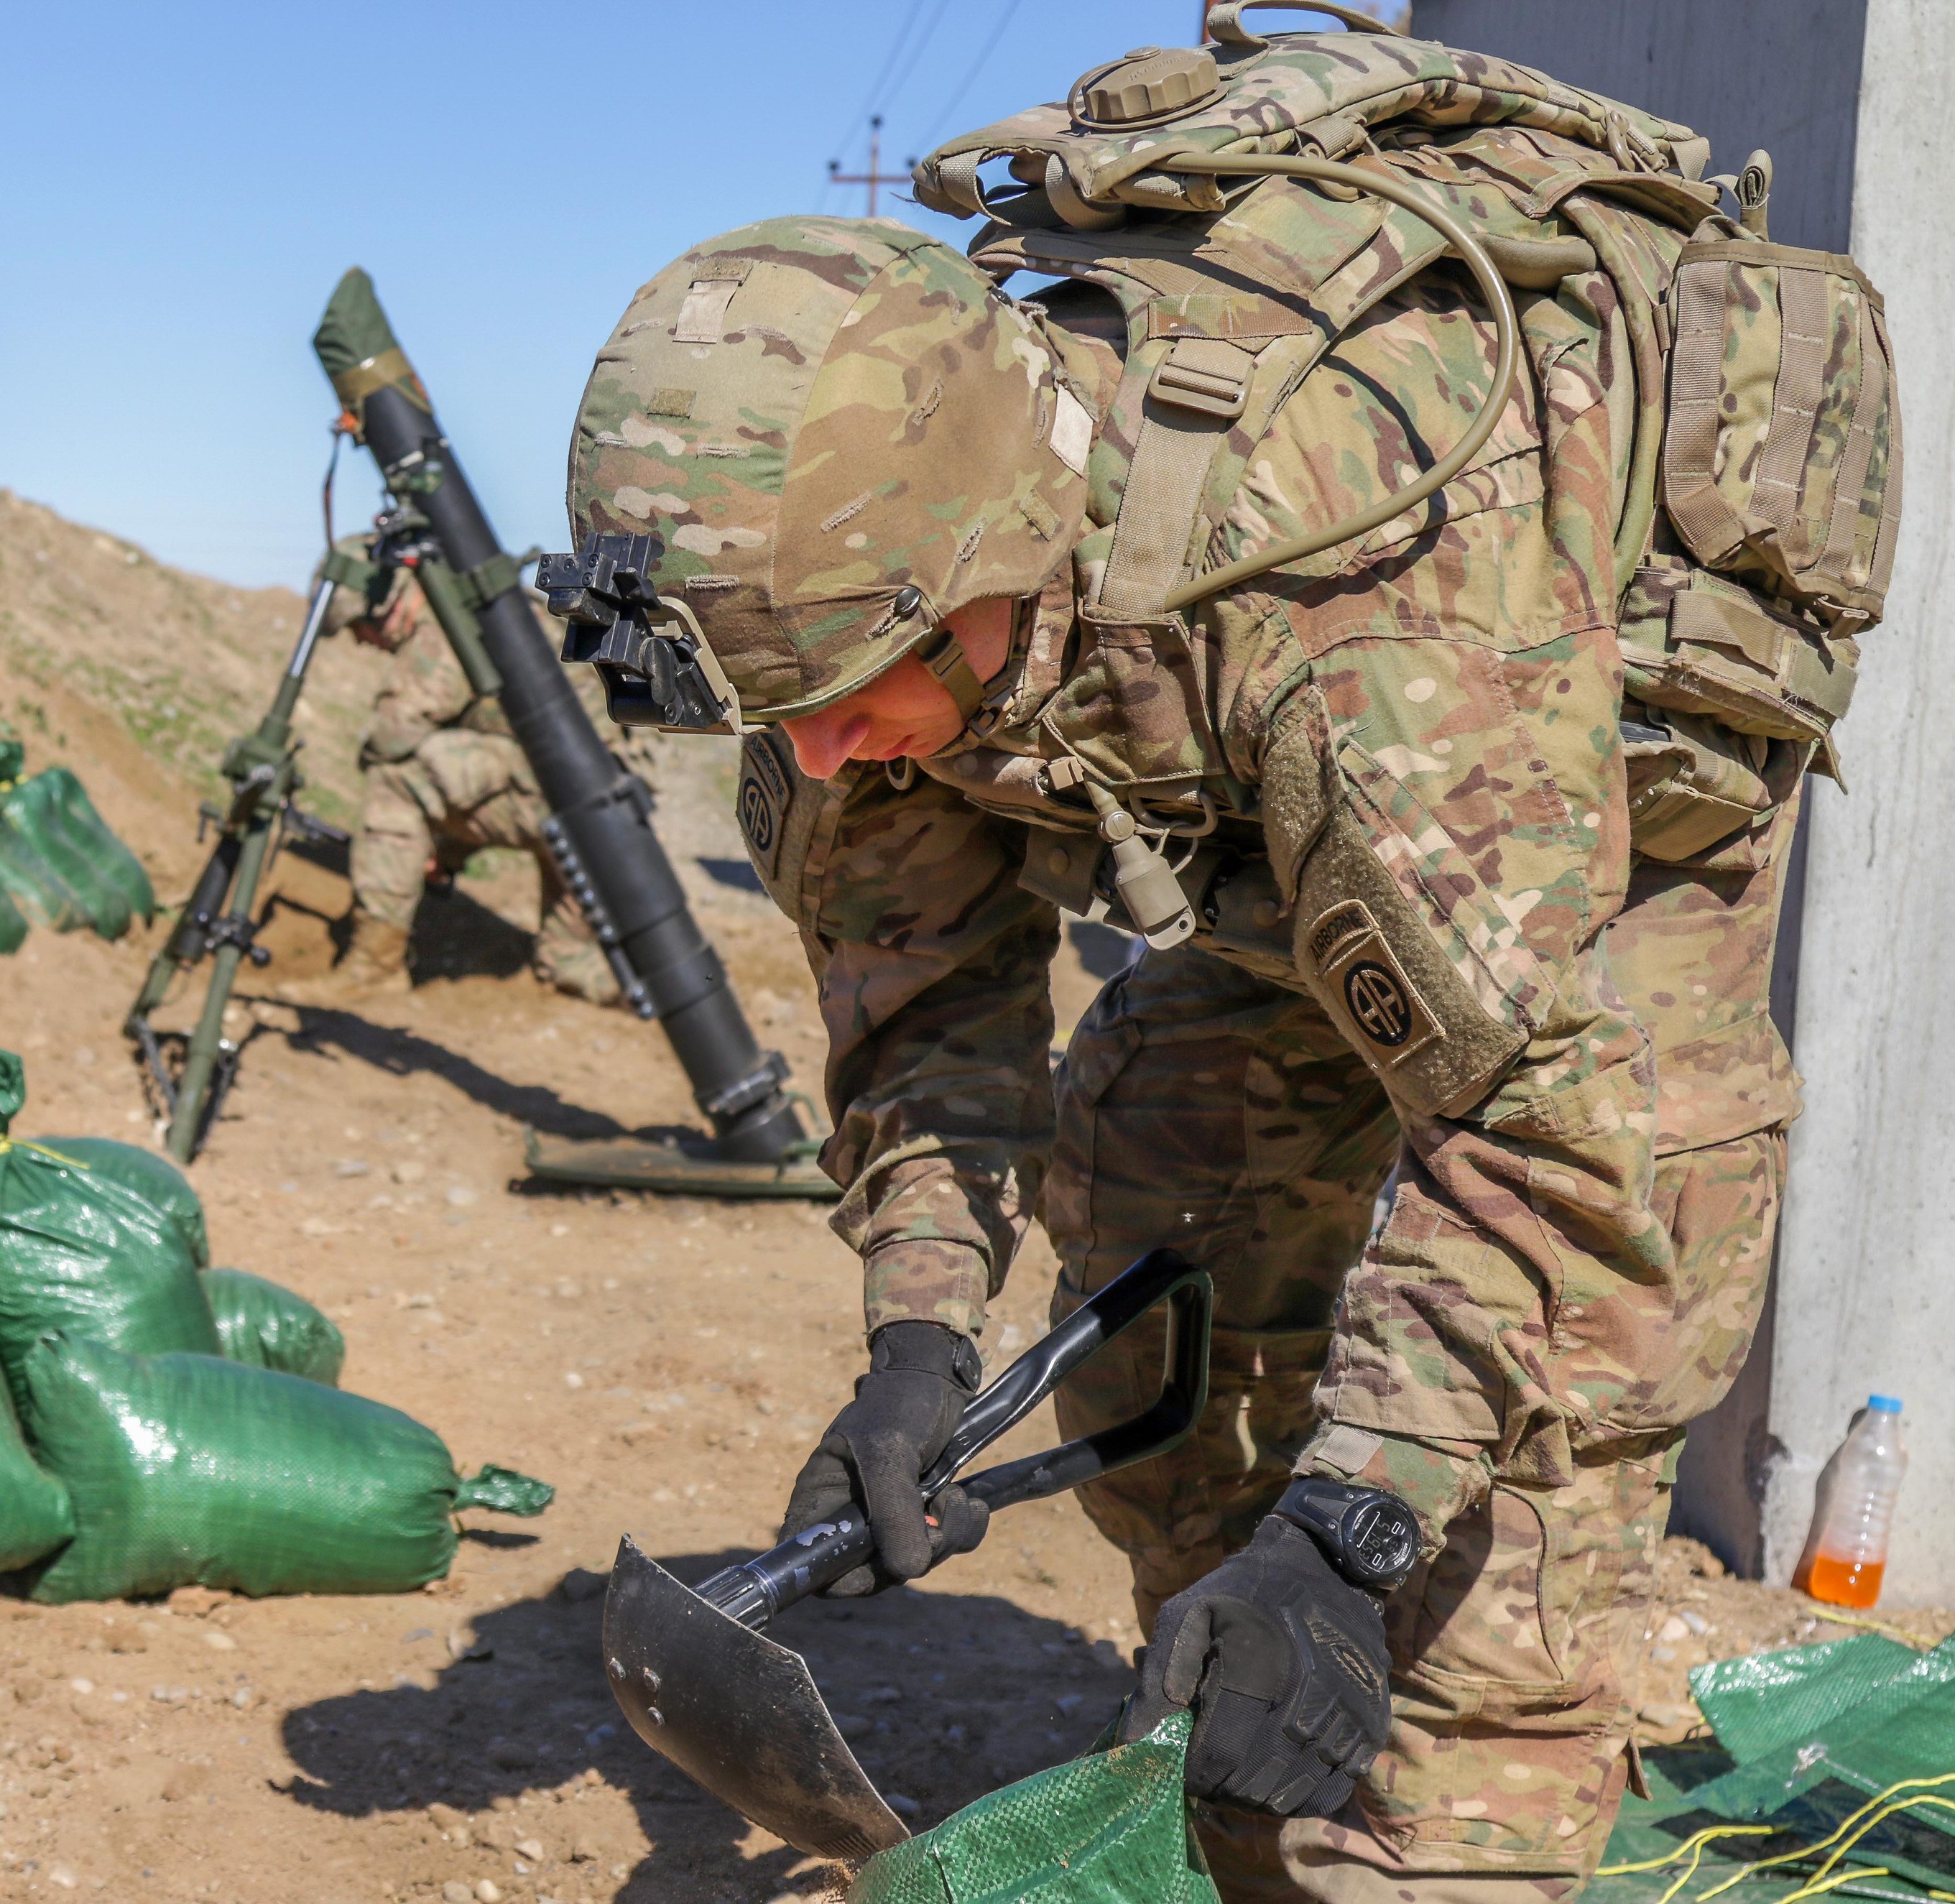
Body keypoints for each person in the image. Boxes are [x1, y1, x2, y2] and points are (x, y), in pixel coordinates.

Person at [560, 46, 1880, 1895]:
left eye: (862, 707)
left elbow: (1535, 1113)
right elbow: (924, 997)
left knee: (1528, 1423)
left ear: (990, 562)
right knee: (1153, 1160)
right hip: (1309, 860)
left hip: (1580, 851)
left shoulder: (1353, 593)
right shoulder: (834, 634)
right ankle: (1223, 1723)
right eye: (799, 724)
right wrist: (919, 1337)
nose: (838, 753)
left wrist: (1346, 1528)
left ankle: (1447, 1808)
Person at [292, 537, 624, 1008]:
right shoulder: (476, 605)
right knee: (567, 962)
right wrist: (446, 854)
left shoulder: (442, 622)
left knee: (399, 777)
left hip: (563, 794)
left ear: (382, 606)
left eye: (355, 627)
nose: (360, 642)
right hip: (601, 809)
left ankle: (373, 969)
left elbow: (393, 736)